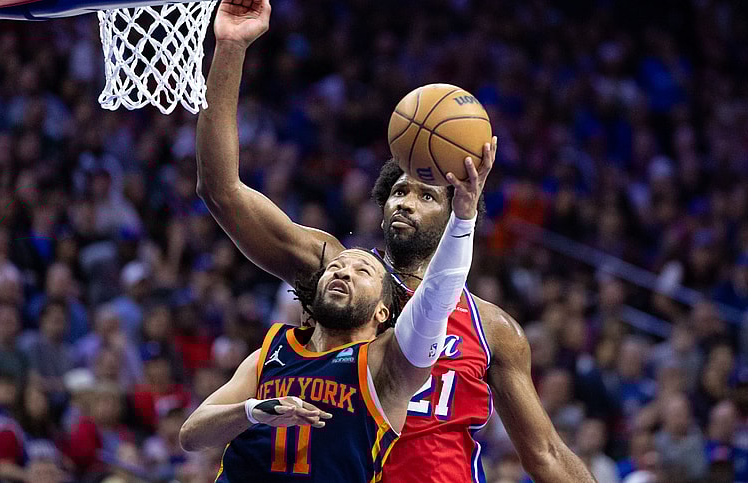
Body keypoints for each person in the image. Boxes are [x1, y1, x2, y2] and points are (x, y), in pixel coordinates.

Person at [196, 1, 594, 481]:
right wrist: (232, 47)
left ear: (455, 214)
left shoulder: (493, 329)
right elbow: (222, 191)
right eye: (398, 191)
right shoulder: (338, 269)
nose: (405, 201)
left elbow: (546, 453)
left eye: (425, 195)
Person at [180, 116, 485, 481]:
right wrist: (252, 411)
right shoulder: (273, 351)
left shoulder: (386, 364)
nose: (343, 272)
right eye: (337, 266)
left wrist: (463, 221)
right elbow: (191, 435)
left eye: (363, 272)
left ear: (382, 310)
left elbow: (436, 299)